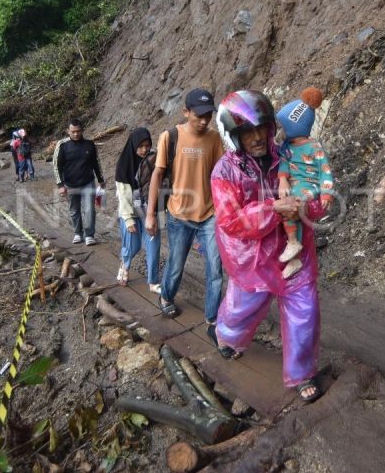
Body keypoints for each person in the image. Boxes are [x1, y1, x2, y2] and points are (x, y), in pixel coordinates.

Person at [212, 89, 327, 403]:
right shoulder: (225, 171)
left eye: (262, 128)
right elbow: (231, 220)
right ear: (234, 136)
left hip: (294, 251)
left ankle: (301, 373)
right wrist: (273, 209)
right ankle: (228, 338)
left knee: (305, 312)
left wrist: (304, 204)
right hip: (251, 258)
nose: (258, 137)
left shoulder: (290, 156)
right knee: (242, 309)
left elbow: (318, 200)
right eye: (247, 131)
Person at [145, 88, 224, 327]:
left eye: (207, 115)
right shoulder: (170, 137)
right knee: (176, 264)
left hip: (209, 214)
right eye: (198, 115)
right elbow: (157, 176)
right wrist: (150, 215)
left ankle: (212, 317)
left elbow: (221, 175)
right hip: (179, 214)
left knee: (216, 269)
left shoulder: (214, 138)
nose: (203, 121)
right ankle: (166, 296)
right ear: (185, 112)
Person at [275, 87, 334, 278]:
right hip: (293, 185)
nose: (282, 131)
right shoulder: (288, 147)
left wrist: (326, 192)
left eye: (284, 127)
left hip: (310, 186)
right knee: (287, 208)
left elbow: (325, 171)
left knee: (293, 204)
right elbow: (284, 164)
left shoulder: (313, 146)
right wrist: (283, 180)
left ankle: (293, 244)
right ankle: (294, 257)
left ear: (295, 127)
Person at [114, 127, 161, 293]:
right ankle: (125, 265)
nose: (144, 150)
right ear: (133, 146)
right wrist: (127, 219)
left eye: (147, 145)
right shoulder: (124, 165)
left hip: (148, 209)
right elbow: (123, 195)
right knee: (132, 246)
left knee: (153, 243)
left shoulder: (153, 159)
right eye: (140, 146)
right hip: (130, 211)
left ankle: (153, 281)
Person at [53, 119, 104, 246]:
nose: (76, 134)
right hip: (70, 183)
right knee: (74, 210)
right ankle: (78, 233)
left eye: (78, 131)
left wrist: (101, 179)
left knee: (89, 209)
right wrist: (60, 185)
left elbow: (96, 162)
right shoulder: (62, 145)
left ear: (82, 130)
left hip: (88, 182)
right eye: (73, 132)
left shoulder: (89, 144)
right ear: (68, 131)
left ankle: (89, 235)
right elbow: (56, 165)